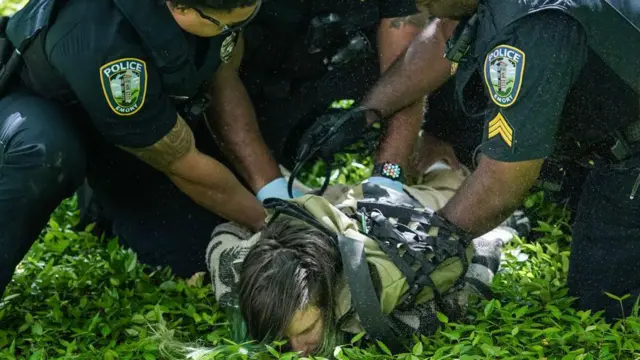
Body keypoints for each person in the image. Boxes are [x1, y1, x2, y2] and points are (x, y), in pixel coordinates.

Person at [304, 0, 640, 321]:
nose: (415, 4)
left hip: (629, 150)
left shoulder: (532, 30)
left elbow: (503, 182)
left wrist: (426, 244)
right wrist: (367, 112)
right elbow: (441, 37)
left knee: (603, 305)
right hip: (610, 114)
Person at [0, 0, 278, 297]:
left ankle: (102, 199)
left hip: (140, 123)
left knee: (193, 250)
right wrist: (273, 222)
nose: (235, 33)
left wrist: (275, 191)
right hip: (42, 102)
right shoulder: (104, 41)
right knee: (46, 155)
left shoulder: (208, 9)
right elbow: (180, 159)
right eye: (228, 26)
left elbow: (222, 74)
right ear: (180, 8)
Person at [204, 146, 530, 356]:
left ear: (329, 300)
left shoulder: (389, 313)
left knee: (450, 175)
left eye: (305, 331)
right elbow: (223, 233)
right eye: (282, 339)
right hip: (336, 209)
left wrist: (501, 230)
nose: (296, 351)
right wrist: (263, 234)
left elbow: (477, 263)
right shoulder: (237, 277)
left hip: (406, 220)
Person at [237, 0, 429, 192]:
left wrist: (388, 175)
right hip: (242, 82)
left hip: (320, 81)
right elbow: (221, 78)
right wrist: (270, 187)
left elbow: (406, 72)